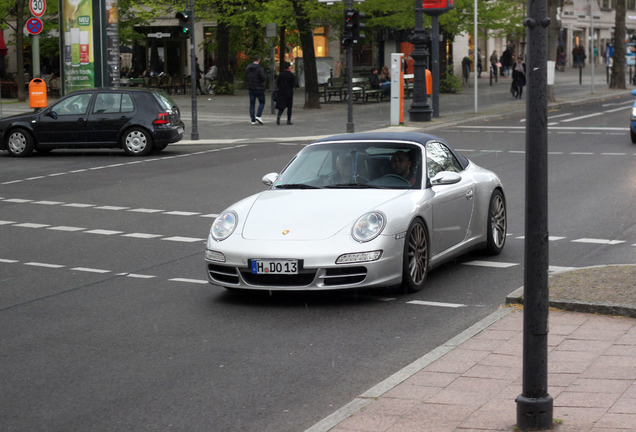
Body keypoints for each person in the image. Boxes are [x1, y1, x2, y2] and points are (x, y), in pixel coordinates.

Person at [246, 55, 267, 125]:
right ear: (259, 60)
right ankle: (258, 115)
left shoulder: (248, 68)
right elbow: (263, 77)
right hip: (259, 87)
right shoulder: (260, 68)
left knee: (252, 104)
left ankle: (253, 120)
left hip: (251, 88)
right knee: (262, 102)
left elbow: (246, 77)